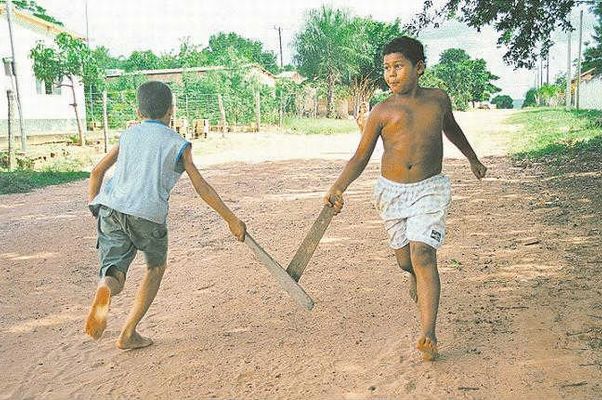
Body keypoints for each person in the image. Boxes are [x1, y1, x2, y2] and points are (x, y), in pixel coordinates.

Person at [324, 36, 487, 361]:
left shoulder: (438, 100)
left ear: (419, 68)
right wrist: (338, 186)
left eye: (398, 66)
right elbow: (360, 157)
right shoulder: (381, 111)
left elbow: (452, 130)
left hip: (429, 189)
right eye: (387, 68)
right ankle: (413, 274)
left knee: (423, 253)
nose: (391, 74)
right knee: (405, 260)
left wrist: (472, 157)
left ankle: (428, 333)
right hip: (393, 192)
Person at [84, 81, 246, 350]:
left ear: (138, 112)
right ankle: (128, 333)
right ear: (171, 111)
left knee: (115, 273)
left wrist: (95, 204)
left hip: (111, 210)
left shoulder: (128, 136)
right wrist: (230, 218)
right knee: (155, 268)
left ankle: (106, 287)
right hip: (148, 215)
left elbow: (96, 172)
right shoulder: (178, 144)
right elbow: (201, 186)